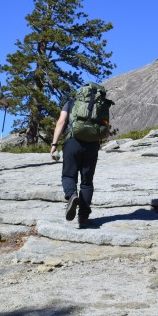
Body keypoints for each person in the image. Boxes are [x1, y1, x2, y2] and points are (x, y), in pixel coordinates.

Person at [50, 93, 102, 228]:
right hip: (92, 145)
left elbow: (61, 121)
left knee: (68, 175)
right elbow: (106, 131)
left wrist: (54, 144)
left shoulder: (71, 102)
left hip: (73, 142)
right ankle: (83, 218)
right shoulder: (101, 106)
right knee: (87, 182)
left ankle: (72, 195)